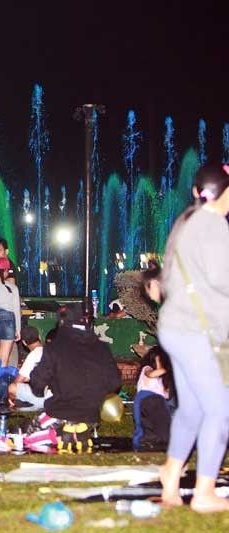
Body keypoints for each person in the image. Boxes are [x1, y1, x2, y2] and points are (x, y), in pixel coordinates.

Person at [156, 162, 229, 512]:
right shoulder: (213, 225)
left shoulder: (186, 222)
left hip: (176, 327)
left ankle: (170, 475)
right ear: (221, 192)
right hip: (194, 331)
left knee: (194, 409)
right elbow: (222, 279)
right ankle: (204, 493)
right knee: (221, 410)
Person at [29, 302, 121, 428]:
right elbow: (115, 382)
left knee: (24, 436)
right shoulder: (102, 347)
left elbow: (38, 382)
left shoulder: (55, 348)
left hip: (62, 412)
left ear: (62, 322)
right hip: (92, 415)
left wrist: (43, 388)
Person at [133, 345, 175, 450]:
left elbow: (165, 394)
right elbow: (152, 374)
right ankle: (148, 442)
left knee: (153, 427)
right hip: (149, 399)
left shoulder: (159, 379)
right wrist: (160, 361)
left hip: (155, 401)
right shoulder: (147, 369)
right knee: (157, 428)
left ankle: (150, 444)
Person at [8, 326, 50, 410]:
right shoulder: (51, 350)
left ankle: (13, 403)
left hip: (42, 397)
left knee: (12, 387)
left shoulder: (33, 355)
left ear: (24, 342)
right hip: (55, 396)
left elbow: (18, 381)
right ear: (39, 336)